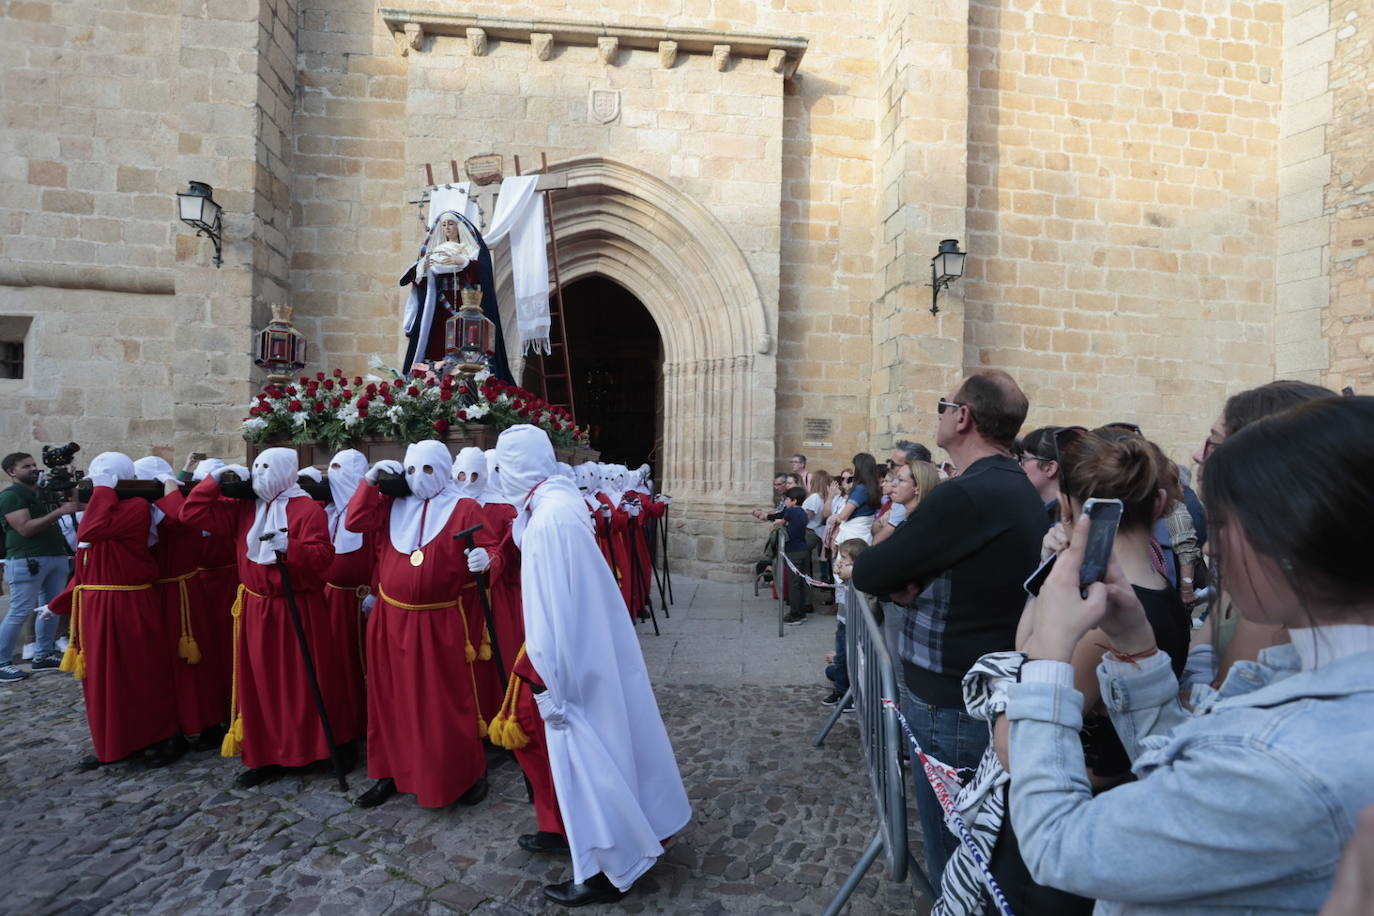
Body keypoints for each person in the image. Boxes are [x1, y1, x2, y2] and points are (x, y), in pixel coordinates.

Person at [1003, 395, 1374, 912]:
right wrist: (1137, 649)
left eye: (1222, 525)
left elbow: (1060, 846)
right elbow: (1190, 773)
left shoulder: (1281, 758)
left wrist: (1048, 659)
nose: (1212, 549)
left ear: (1289, 535)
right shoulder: (1304, 673)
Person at [977, 429, 1192, 914]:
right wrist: (1049, 568)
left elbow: (1013, 744)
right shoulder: (1155, 581)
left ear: (1070, 508)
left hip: (1074, 822)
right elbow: (1026, 645)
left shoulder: (1101, 620)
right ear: (1159, 503)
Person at [852, 370, 1046, 888]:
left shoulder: (966, 494)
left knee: (956, 855)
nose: (941, 412)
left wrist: (901, 575)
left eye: (945, 404)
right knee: (976, 843)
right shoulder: (1014, 485)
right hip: (979, 684)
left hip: (951, 697)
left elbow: (871, 569)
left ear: (963, 417)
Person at [494, 424, 691, 907]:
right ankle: (579, 835)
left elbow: (559, 607)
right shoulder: (554, 508)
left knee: (592, 758)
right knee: (598, 751)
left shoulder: (551, 520)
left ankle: (608, 867)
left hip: (572, 666)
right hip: (582, 657)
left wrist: (551, 681)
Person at [343, 440, 503, 809]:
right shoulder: (392, 503)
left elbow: (493, 551)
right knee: (389, 698)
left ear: (445, 471)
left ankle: (463, 775)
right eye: (412, 470)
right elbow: (355, 521)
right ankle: (391, 772)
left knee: (445, 701)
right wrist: (371, 482)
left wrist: (487, 559)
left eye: (428, 469)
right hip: (389, 618)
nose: (418, 478)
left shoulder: (464, 507)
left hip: (439, 621)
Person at [181, 447, 349, 787]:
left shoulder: (305, 508)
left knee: (304, 680)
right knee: (261, 683)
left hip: (297, 606)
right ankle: (266, 752)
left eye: (267, 467)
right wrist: (214, 480)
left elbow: (323, 557)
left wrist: (292, 549)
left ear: (287, 471)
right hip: (257, 607)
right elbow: (192, 513)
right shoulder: (245, 506)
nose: (260, 473)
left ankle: (316, 748)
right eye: (255, 466)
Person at [1191, 379, 1336, 686]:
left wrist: (1138, 650)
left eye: (1213, 444)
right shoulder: (1254, 567)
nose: (1197, 455)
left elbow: (1210, 717)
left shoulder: (1273, 590)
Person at [48, 452, 181, 769]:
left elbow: (89, 532)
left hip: (128, 601)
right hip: (97, 605)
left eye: (103, 475)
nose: (96, 480)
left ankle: (163, 737)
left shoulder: (135, 508)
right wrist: (61, 601)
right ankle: (116, 742)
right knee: (101, 679)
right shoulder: (102, 507)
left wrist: (105, 490)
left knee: (140, 673)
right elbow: (85, 561)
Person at [135, 455, 228, 755]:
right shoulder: (149, 508)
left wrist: (173, 482)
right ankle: (168, 725)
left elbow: (178, 513)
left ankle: (205, 722)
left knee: (190, 663)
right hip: (156, 593)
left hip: (181, 593)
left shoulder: (175, 511)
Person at [0, 452, 77, 680]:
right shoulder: (11, 496)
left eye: (34, 464)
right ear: (12, 472)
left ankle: (43, 655)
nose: (34, 468)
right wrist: (58, 513)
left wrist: (69, 483)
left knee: (51, 607)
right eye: (26, 466)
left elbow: (75, 505)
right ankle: (2, 661)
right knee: (20, 611)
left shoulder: (44, 491)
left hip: (55, 556)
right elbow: (25, 528)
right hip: (27, 559)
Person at [316, 449, 372, 750]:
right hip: (332, 599)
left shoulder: (371, 514)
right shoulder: (328, 512)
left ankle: (367, 722)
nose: (335, 476)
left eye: (342, 469)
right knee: (337, 664)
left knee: (363, 665)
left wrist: (375, 590)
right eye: (332, 468)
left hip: (362, 602)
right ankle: (343, 723)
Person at [823, 538, 867, 706]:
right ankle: (840, 691)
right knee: (840, 660)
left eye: (844, 558)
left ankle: (849, 697)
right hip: (843, 621)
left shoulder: (859, 576)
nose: (839, 562)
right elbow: (841, 579)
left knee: (850, 659)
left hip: (855, 624)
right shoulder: (846, 575)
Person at [769, 486, 812, 625]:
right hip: (803, 549)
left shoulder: (791, 511)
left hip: (793, 552)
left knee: (794, 585)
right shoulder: (802, 512)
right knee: (801, 583)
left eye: (787, 499)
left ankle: (795, 614)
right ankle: (802, 611)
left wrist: (778, 522)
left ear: (793, 501)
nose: (785, 501)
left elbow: (781, 520)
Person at [830, 452, 881, 545]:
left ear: (859, 468)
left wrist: (835, 519)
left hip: (853, 535)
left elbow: (844, 516)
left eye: (854, 466)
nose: (853, 470)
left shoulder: (860, 489)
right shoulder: (873, 487)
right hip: (864, 533)